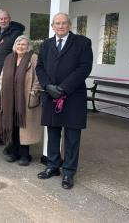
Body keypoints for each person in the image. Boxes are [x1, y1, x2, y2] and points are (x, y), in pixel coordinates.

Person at [36, 12, 93, 190]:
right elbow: (40, 67)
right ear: (52, 26)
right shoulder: (46, 45)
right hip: (51, 96)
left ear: (69, 25)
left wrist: (63, 88)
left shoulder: (82, 43)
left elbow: (84, 68)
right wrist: (47, 86)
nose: (60, 26)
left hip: (73, 96)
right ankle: (52, 165)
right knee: (52, 133)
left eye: (64, 23)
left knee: (72, 136)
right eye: (57, 23)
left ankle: (68, 171)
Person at [0, 35, 42, 166]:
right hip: (9, 99)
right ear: (14, 46)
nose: (20, 46)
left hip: (25, 99)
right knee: (12, 124)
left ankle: (24, 155)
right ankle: (13, 152)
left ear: (28, 46)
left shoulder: (33, 58)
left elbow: (38, 77)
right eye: (18, 44)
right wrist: (2, 89)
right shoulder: (9, 58)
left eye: (23, 44)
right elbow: (2, 76)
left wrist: (34, 92)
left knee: (23, 126)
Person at [0, 10, 25, 147]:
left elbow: (19, 55)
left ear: (10, 19)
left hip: (5, 80)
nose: (3, 21)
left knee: (6, 109)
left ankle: (8, 139)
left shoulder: (16, 34)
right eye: (1, 19)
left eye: (5, 18)